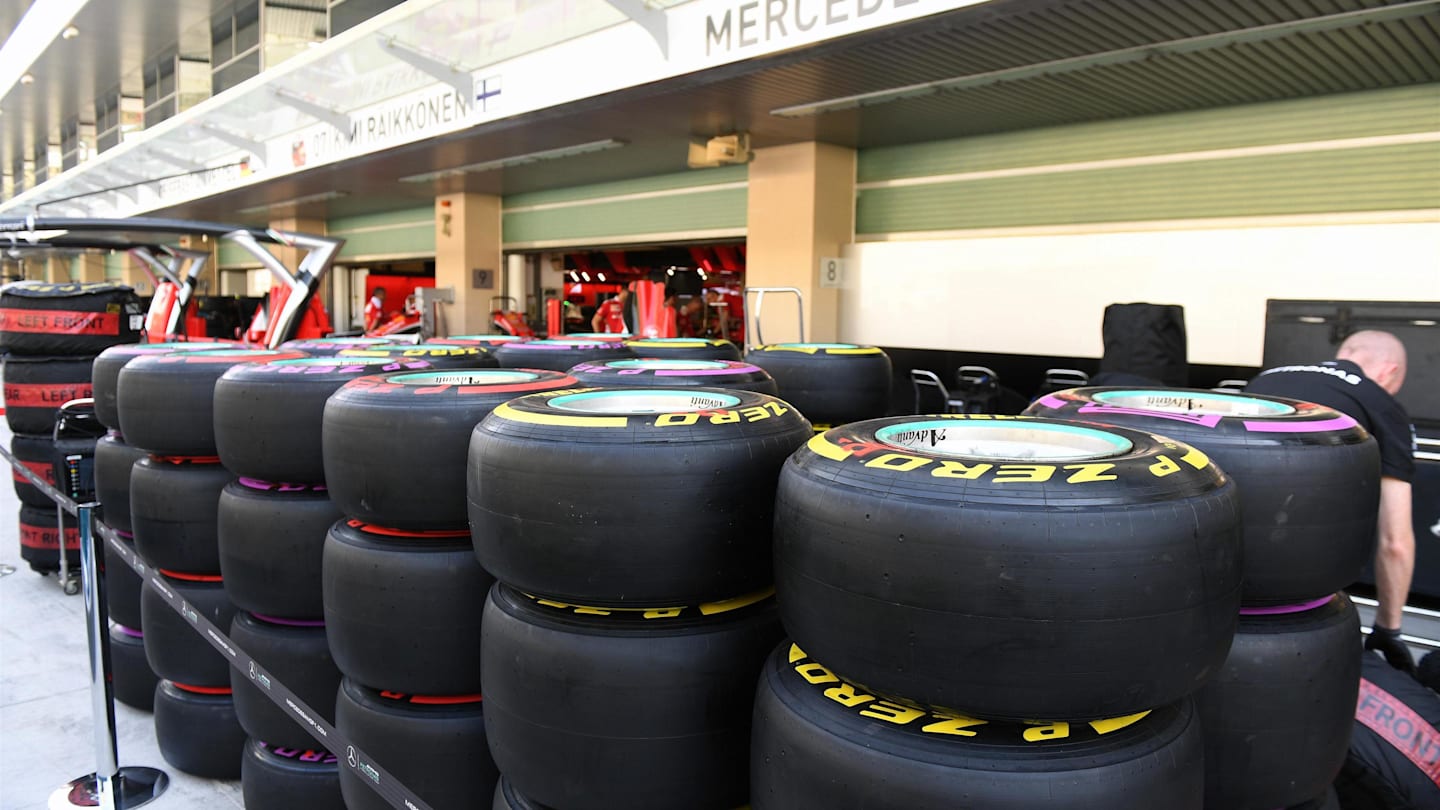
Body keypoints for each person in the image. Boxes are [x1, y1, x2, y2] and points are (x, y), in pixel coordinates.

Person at [1246, 330, 1419, 672]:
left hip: (1214, 560)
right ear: (1389, 371)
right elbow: (1395, 542)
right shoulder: (1379, 401)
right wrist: (1388, 627)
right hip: (1297, 587)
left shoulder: (1266, 377)